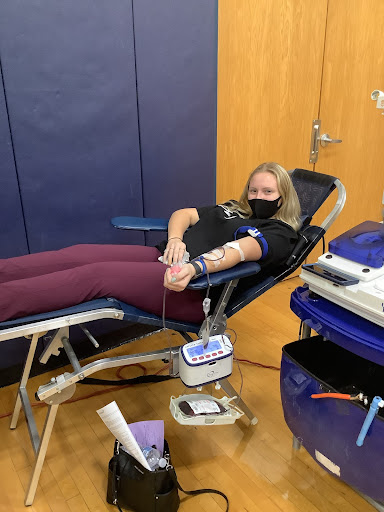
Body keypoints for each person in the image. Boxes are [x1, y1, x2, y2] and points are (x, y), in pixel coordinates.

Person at [0, 162, 301, 323]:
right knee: (79, 255)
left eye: (267, 193)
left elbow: (240, 250)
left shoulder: (280, 232)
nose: (257, 197)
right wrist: (175, 240)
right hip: (163, 256)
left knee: (95, 276)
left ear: (282, 198)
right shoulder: (233, 209)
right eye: (253, 190)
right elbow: (183, 214)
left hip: (189, 288)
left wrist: (195, 267)